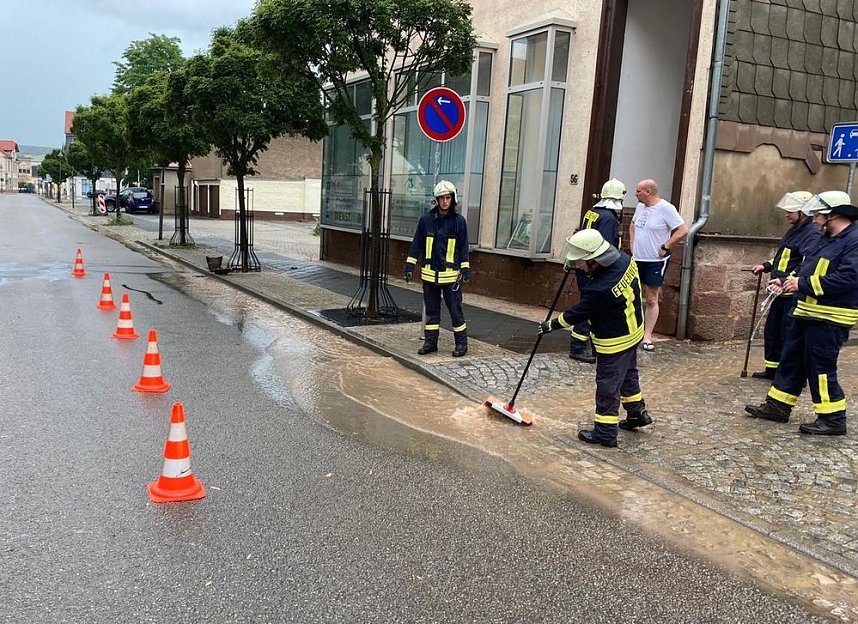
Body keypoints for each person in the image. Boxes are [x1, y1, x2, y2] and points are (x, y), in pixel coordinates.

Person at [745, 190, 858, 436]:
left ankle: (833, 419)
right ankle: (778, 406)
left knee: (820, 368)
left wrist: (802, 285)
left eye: (818, 215)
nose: (814, 220)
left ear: (833, 215)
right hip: (805, 313)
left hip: (830, 318)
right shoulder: (826, 239)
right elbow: (807, 270)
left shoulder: (854, 241)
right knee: (791, 361)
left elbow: (849, 278)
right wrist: (787, 282)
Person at [537, 229, 650, 448]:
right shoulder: (625, 260)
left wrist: (551, 325)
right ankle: (637, 413)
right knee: (628, 375)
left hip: (614, 340)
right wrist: (574, 266)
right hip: (634, 329)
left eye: (580, 262)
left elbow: (577, 313)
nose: (577, 265)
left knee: (608, 385)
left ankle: (605, 433)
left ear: (593, 261)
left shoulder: (600, 290)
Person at [749, 191, 820, 379]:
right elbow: (783, 257)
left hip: (792, 293)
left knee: (789, 334)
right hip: (779, 293)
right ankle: (773, 369)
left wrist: (785, 280)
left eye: (790, 211)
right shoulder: (794, 230)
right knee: (773, 331)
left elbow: (806, 263)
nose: (786, 215)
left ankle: (790, 373)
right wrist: (766, 266)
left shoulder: (811, 233)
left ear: (803, 212)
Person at [405, 180, 470, 357]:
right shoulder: (426, 221)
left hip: (451, 278)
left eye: (448, 198)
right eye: (441, 198)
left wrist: (465, 269)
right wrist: (409, 265)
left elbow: (464, 247)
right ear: (436, 200)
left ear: (453, 199)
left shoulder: (459, 222)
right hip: (430, 276)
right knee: (432, 313)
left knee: (455, 311)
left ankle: (461, 344)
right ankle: (431, 342)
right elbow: (416, 244)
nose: (444, 201)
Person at [568, 178, 627, 364]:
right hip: (594, 269)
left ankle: (590, 346)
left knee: (591, 306)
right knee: (591, 307)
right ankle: (578, 347)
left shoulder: (592, 212)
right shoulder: (609, 218)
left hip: (584, 266)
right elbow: (606, 249)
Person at [629, 179, 688, 352]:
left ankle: (647, 336)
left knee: (652, 297)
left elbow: (683, 230)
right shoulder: (640, 207)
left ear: (648, 191)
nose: (635, 194)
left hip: (655, 260)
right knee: (631, 295)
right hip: (637, 258)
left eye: (638, 191)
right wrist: (632, 242)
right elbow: (633, 224)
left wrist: (666, 246)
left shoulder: (666, 209)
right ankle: (632, 332)